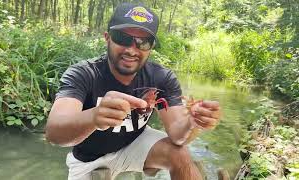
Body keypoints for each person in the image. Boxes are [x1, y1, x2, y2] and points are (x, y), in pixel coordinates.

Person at [45, 2, 221, 180]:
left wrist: (193, 121)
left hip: (134, 143)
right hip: (88, 159)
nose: (131, 50)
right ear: (107, 37)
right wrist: (94, 117)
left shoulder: (161, 78)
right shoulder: (83, 73)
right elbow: (54, 133)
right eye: (122, 38)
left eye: (143, 42)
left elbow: (177, 135)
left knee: (179, 153)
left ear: (151, 47)